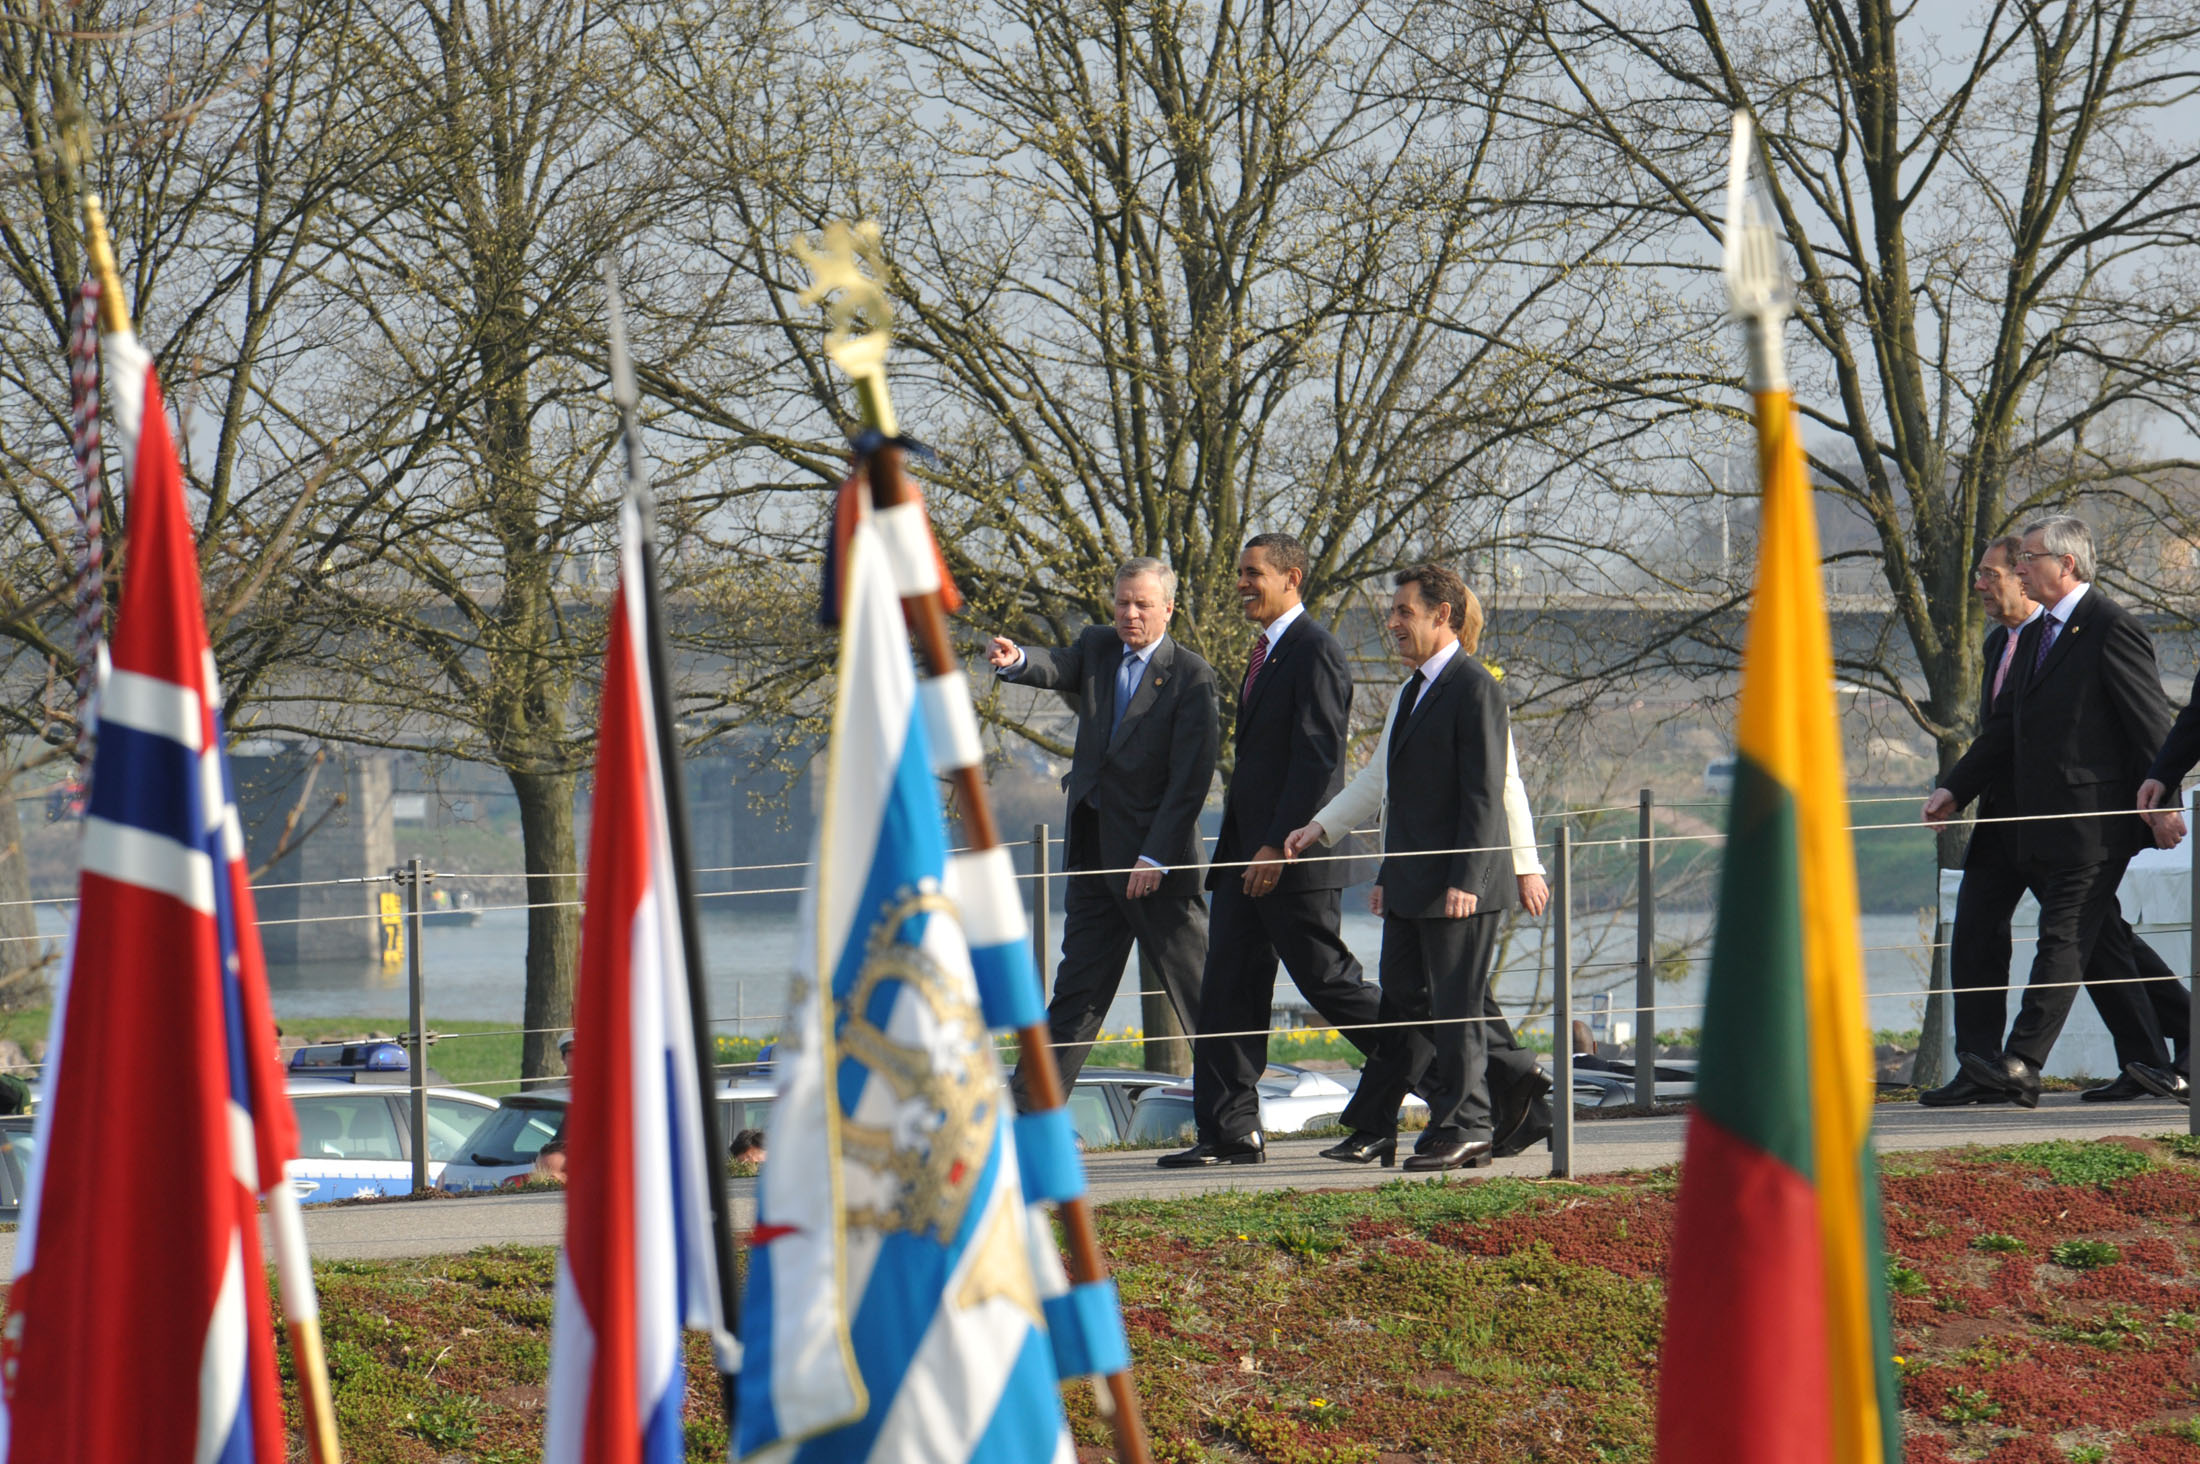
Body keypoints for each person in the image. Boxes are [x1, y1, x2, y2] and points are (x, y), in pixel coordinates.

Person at [1285, 592, 1554, 1162]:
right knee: (1405, 1000)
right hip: (1411, 877)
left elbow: (1488, 791)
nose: (1392, 623)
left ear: (1443, 616)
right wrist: (1319, 827)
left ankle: (1467, 1124)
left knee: (1455, 1004)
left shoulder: (1476, 687)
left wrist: (1470, 879)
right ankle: (1501, 1085)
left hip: (1460, 883)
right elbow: (1386, 786)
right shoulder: (1412, 691)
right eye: (1392, 612)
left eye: (1404, 612)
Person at [1924, 515, 2183, 1106]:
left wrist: (2163, 803)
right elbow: (2004, 729)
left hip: (2093, 824)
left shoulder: (2111, 627)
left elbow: (2150, 725)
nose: (2018, 570)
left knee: (2064, 938)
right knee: (2089, 941)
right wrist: (1955, 788)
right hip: (2027, 821)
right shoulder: (2036, 637)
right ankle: (2150, 1057)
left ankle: (2021, 1061)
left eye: (2028, 559)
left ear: (2066, 564)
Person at [1160, 533, 1386, 1168]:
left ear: (1293, 577)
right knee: (1227, 989)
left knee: (1329, 984)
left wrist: (1276, 848)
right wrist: (1244, 852)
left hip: (1289, 856)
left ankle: (1445, 1073)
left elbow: (1317, 763)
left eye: (1253, 573)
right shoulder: (1267, 651)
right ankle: (1230, 1132)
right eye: (1239, 573)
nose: (1241, 584)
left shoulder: (1315, 651)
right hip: (1243, 858)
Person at [986, 557, 1219, 1099]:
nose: (1129, 613)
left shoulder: (1190, 675)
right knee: (1076, 995)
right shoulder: (1097, 647)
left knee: (1199, 995)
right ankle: (1030, 1117)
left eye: (1142, 604)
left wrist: (1156, 856)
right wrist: (1018, 658)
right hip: (1094, 855)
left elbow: (1190, 782)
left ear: (1168, 609)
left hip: (1157, 868)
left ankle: (1233, 1121)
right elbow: (1056, 665)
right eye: (1122, 602)